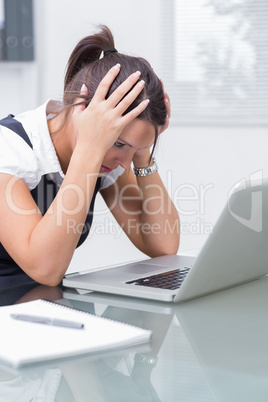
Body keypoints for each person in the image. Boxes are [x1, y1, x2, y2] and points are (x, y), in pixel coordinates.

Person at [0, 25, 180, 288]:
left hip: (43, 306)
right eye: (119, 143)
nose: (124, 163)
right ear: (82, 111)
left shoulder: (107, 160)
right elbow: (45, 268)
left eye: (133, 149)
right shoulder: (10, 148)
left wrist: (143, 154)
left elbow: (163, 245)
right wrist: (90, 148)